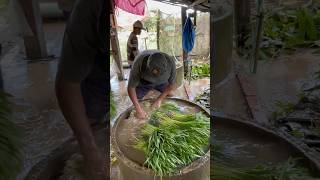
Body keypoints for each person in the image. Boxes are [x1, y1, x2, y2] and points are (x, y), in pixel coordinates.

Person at [55, 0, 108, 179]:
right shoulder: (86, 12)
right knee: (89, 116)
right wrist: (89, 148)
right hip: (96, 61)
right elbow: (67, 83)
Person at [127, 50, 176, 119]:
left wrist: (159, 99)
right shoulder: (138, 63)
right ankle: (148, 88)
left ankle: (155, 88)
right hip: (145, 82)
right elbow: (131, 88)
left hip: (161, 82)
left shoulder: (171, 62)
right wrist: (138, 109)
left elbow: (171, 85)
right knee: (138, 97)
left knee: (171, 94)